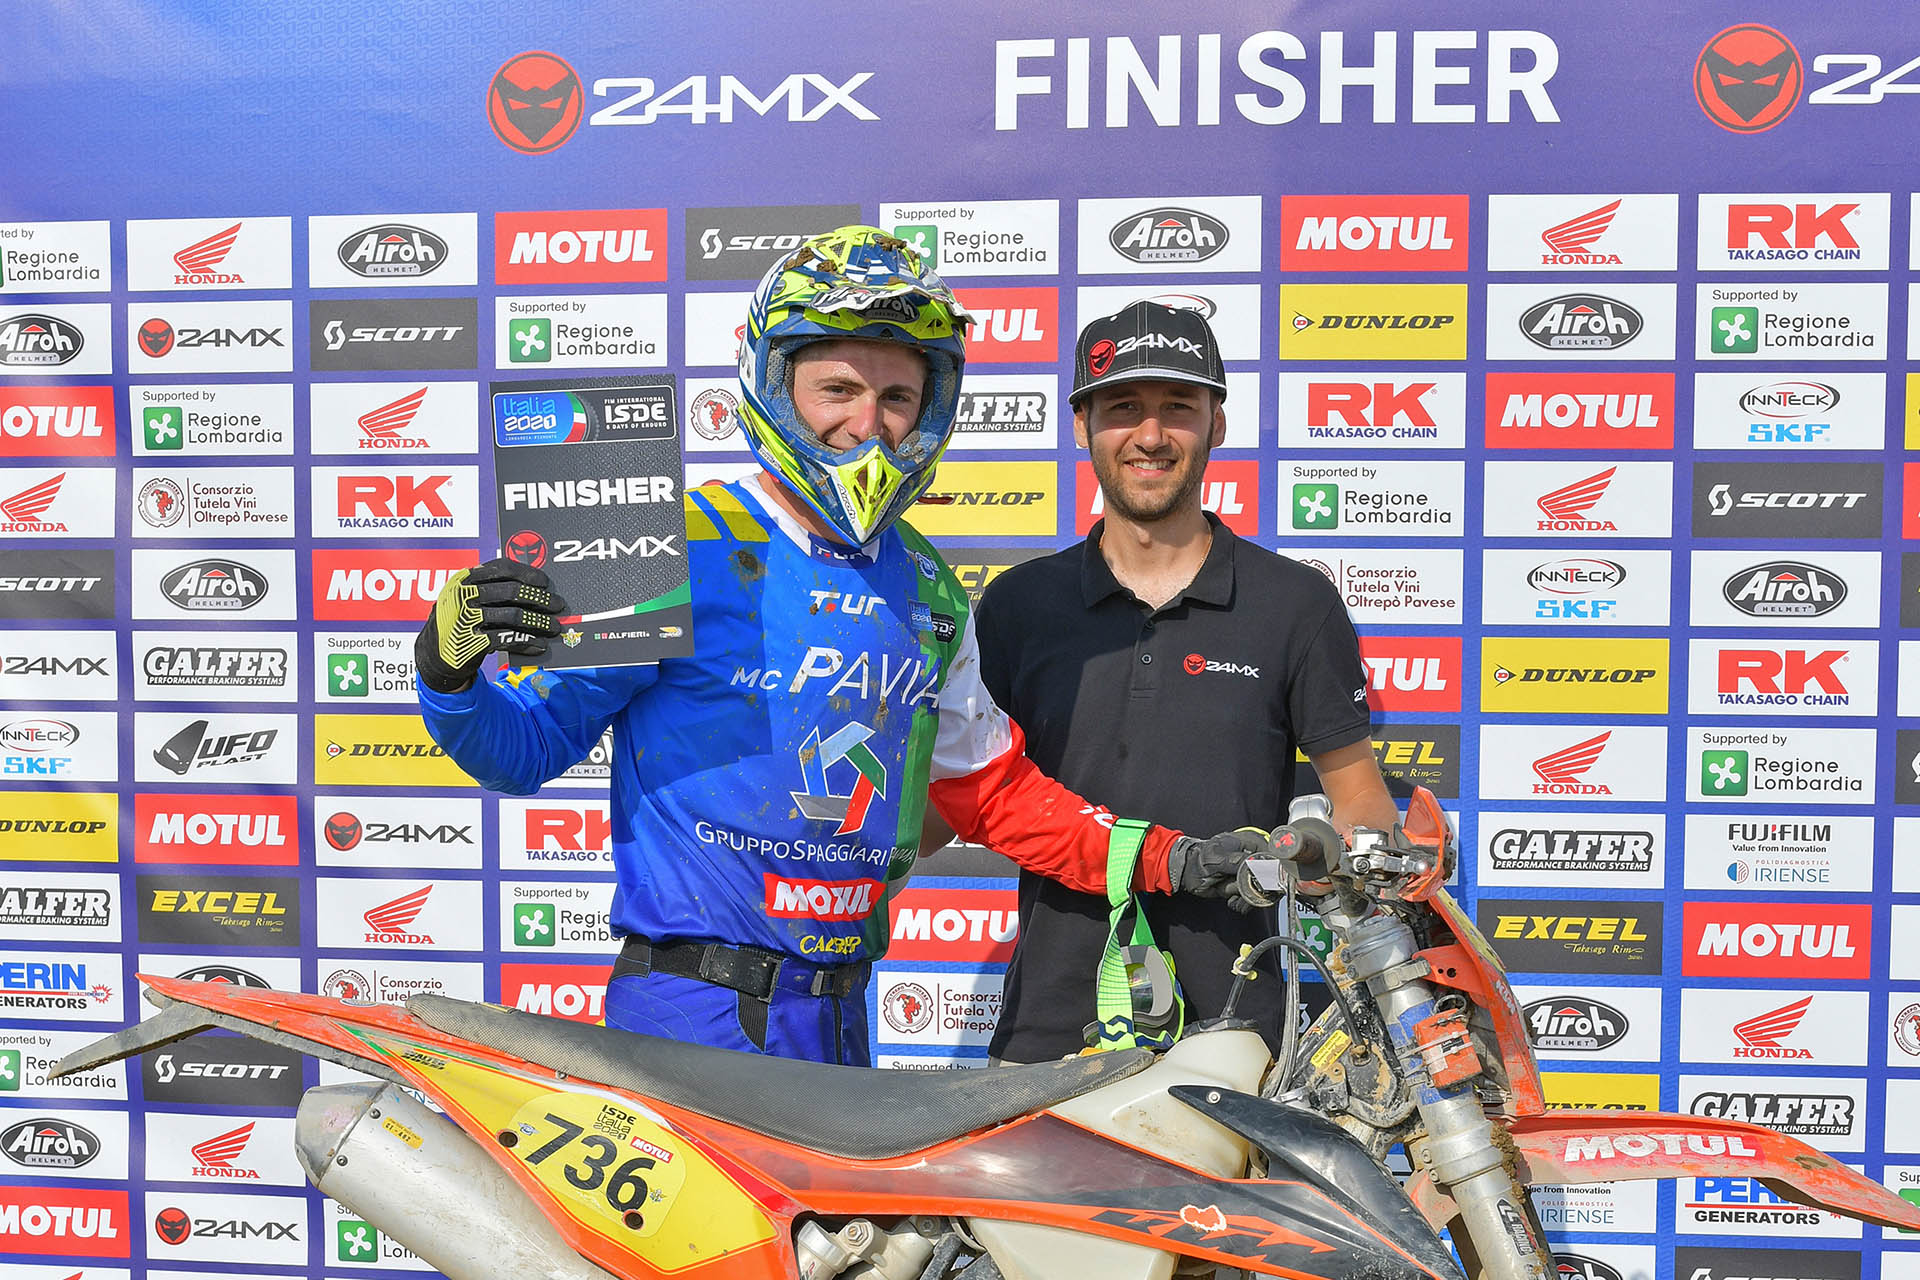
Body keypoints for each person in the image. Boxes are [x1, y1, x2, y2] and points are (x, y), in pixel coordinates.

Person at [412, 229, 1267, 1066]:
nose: (869, 425)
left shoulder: (929, 586)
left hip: (842, 1015)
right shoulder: (663, 542)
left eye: (897, 397)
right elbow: (521, 750)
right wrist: (448, 663)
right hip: (689, 1012)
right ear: (775, 384)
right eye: (838, 390)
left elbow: (995, 794)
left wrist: (1175, 857)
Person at [975, 299, 1400, 1064]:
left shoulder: (1295, 603)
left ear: (1217, 425)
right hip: (1049, 1023)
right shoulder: (1016, 605)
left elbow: (1361, 798)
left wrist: (1327, 855)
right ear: (1081, 425)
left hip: (1241, 1022)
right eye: (1122, 408)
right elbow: (952, 807)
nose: (1150, 434)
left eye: (1178, 407)